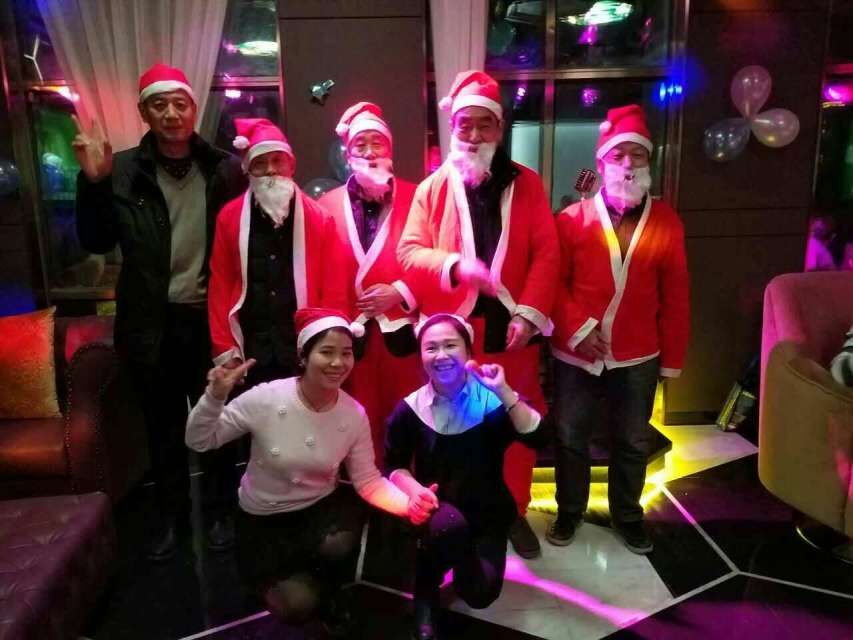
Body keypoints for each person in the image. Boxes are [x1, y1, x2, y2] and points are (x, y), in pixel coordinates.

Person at [74, 63, 247, 560]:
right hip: (151, 323)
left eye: (180, 103)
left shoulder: (225, 169)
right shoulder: (122, 170)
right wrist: (94, 183)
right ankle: (172, 519)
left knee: (219, 421)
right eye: (159, 104)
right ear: (143, 112)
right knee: (162, 430)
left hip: (210, 321)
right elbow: (96, 240)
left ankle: (220, 512)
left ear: (194, 108)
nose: (171, 113)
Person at [186, 308, 435, 635]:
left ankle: (326, 587)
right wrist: (214, 396)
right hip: (264, 522)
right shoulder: (267, 398)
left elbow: (368, 481)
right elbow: (200, 439)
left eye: (346, 353)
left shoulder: (353, 414)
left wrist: (409, 504)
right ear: (303, 356)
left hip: (318, 513)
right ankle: (271, 581)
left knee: (340, 547)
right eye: (326, 352)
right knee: (299, 605)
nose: (338, 363)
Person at [397, 70, 559, 559]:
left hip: (512, 331)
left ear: (500, 128)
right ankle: (453, 507)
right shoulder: (431, 188)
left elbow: (546, 252)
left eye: (483, 124)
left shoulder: (528, 184)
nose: (473, 134)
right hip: (453, 333)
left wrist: (529, 313)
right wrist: (454, 266)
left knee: (513, 418)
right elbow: (408, 252)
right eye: (464, 124)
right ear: (452, 128)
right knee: (450, 425)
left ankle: (514, 511)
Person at [548, 104, 690, 554]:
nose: (627, 164)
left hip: (638, 354)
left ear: (650, 161)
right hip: (576, 353)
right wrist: (578, 330)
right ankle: (570, 511)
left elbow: (676, 295)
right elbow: (553, 285)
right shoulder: (571, 220)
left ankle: (628, 516)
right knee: (570, 438)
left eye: (637, 155)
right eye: (618, 155)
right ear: (602, 161)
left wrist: (671, 361)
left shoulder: (667, 221)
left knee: (632, 440)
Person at [385, 313, 548, 640]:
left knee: (480, 593)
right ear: (421, 356)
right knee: (447, 529)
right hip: (437, 512)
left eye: (450, 345)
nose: (441, 355)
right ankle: (426, 585)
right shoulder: (410, 408)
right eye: (431, 348)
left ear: (468, 351)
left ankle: (457, 560)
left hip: (488, 513)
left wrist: (505, 391)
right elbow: (393, 466)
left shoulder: (492, 400)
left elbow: (538, 438)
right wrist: (414, 491)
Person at [318, 102, 423, 463]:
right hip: (350, 338)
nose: (369, 151)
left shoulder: (418, 197)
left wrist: (400, 292)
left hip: (404, 334)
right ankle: (364, 490)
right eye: (360, 144)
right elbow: (320, 273)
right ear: (347, 154)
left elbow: (435, 255)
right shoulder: (326, 205)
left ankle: (408, 489)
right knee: (356, 426)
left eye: (377, 143)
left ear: (390, 150)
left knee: (408, 422)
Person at [208, 118, 347, 387]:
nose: (270, 170)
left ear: (291, 166)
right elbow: (220, 287)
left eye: (277, 161)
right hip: (250, 356)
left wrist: (329, 344)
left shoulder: (320, 219)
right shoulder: (229, 218)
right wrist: (225, 349)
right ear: (247, 169)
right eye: (260, 163)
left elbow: (334, 289)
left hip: (302, 353)